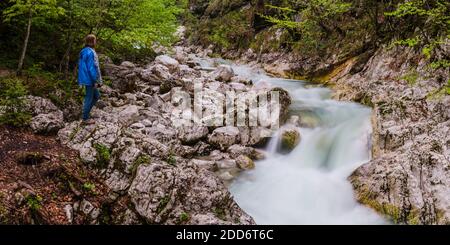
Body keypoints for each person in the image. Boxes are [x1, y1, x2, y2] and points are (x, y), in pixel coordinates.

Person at [78, 34, 103, 125]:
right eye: (95, 40)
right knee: (89, 97)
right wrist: (96, 80)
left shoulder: (83, 51)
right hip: (90, 79)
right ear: (92, 41)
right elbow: (92, 67)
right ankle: (85, 118)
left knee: (96, 96)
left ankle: (86, 113)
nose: (96, 42)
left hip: (85, 77)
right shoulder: (90, 52)